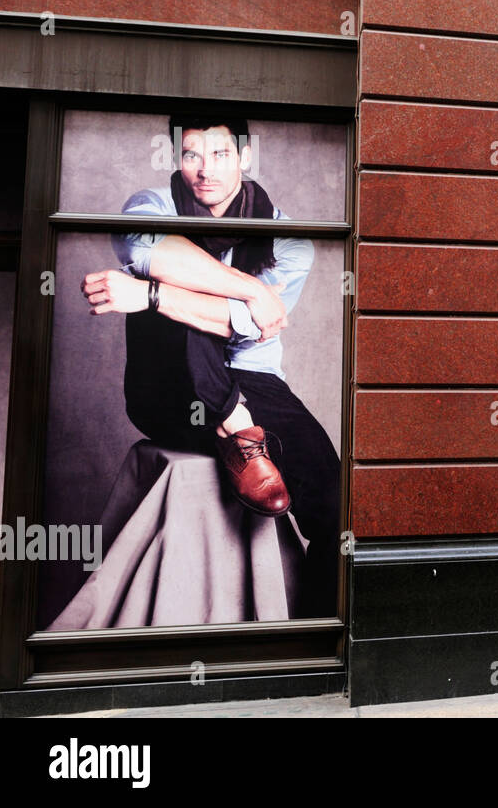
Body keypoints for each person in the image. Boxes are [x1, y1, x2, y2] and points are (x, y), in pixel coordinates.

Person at [79, 116, 340, 619]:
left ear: (244, 157)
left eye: (219, 154)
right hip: (165, 388)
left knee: (334, 499)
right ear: (176, 158)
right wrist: (251, 287)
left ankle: (313, 634)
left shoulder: (289, 241)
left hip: (255, 383)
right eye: (191, 155)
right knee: (177, 306)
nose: (204, 170)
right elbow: (151, 250)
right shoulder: (149, 205)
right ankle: (235, 424)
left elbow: (244, 326)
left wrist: (150, 292)